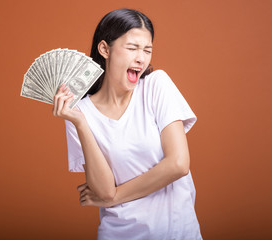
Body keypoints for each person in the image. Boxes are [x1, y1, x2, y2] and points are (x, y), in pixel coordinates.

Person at [53, 8, 203, 240]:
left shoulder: (156, 86)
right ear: (105, 49)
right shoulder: (79, 113)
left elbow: (179, 164)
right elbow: (102, 190)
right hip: (119, 233)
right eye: (132, 48)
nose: (141, 58)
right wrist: (81, 124)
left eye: (147, 50)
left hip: (177, 232)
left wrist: (115, 196)